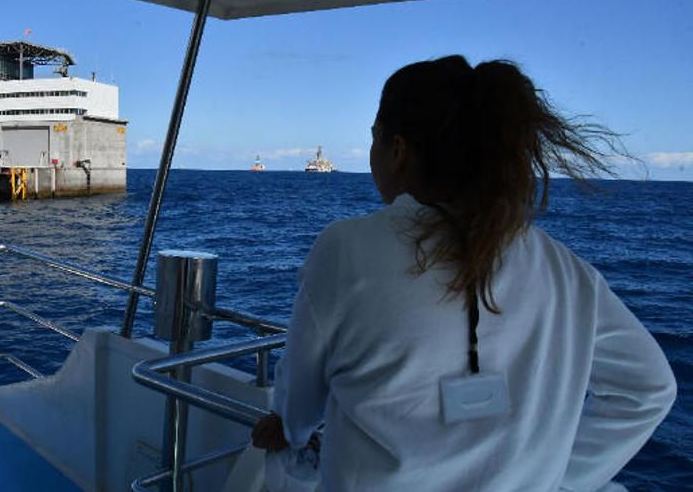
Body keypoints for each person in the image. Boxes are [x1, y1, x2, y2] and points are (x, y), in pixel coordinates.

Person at [252, 55, 677, 491]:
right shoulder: (568, 273)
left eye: (375, 140)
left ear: (398, 150)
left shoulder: (346, 250)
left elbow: (299, 400)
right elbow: (649, 389)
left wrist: (292, 429)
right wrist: (559, 480)